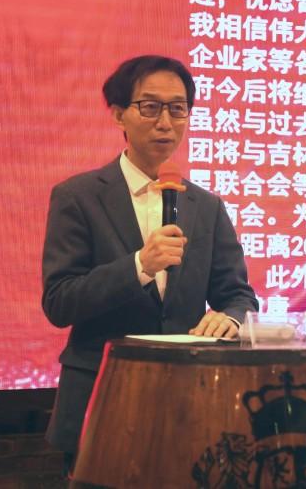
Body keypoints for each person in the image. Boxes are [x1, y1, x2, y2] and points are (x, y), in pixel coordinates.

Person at [41, 55, 258, 477]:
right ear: (118, 114)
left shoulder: (206, 206)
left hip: (190, 401)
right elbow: (59, 301)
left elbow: (238, 295)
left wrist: (231, 319)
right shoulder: (78, 197)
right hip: (102, 400)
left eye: (178, 109)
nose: (165, 123)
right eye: (150, 107)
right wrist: (140, 265)